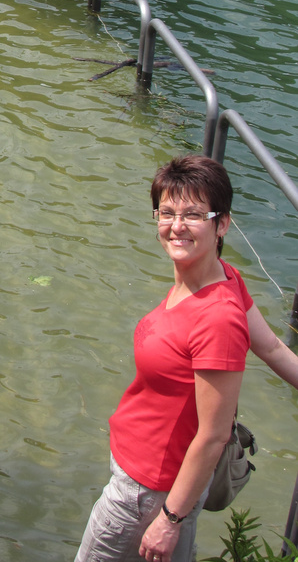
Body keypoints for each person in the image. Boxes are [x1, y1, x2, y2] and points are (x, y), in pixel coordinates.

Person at [75, 154, 298, 562]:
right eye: (167, 212)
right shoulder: (224, 277)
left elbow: (212, 435)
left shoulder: (216, 319)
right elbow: (270, 347)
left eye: (193, 214)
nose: (176, 226)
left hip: (147, 493)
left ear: (222, 224)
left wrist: (169, 520)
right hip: (156, 483)